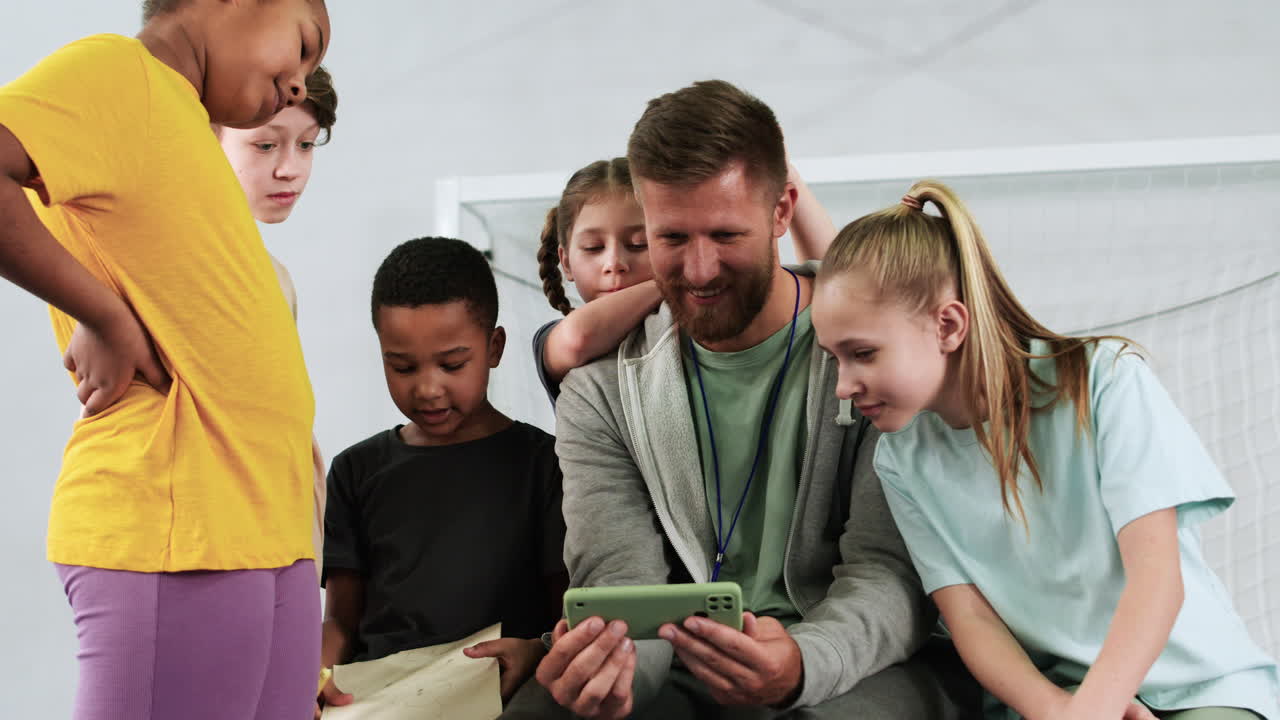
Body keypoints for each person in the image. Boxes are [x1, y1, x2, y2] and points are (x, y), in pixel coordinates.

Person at [505, 80, 976, 719]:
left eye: (726, 234)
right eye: (672, 238)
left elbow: (888, 573)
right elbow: (621, 581)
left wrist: (802, 663)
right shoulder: (599, 393)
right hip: (682, 659)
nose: (699, 270)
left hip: (863, 660)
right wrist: (616, 676)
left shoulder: (883, 361)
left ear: (783, 211)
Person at [809, 179, 1280, 720]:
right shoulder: (899, 460)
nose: (842, 386)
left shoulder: (1104, 381)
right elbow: (972, 620)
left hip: (1200, 690)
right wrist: (1059, 710)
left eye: (863, 353)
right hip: (1056, 699)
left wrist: (1096, 708)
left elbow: (1157, 581)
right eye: (834, 359)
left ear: (948, 325)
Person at [0, 0, 331, 717]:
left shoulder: (185, 128)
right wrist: (102, 314)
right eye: (304, 45)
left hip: (269, 532)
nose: (301, 82)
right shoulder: (120, 72)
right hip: (175, 523)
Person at [318, 237, 568, 716]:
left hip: (500, 698)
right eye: (402, 367)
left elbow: (566, 616)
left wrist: (536, 651)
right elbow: (341, 624)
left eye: (452, 364)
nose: (428, 388)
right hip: (377, 699)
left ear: (494, 348)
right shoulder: (354, 470)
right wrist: (316, 673)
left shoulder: (546, 464)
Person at [533, 156, 836, 404]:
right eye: (593, 248)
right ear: (566, 261)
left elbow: (832, 285)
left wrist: (786, 172)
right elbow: (578, 339)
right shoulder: (552, 339)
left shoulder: (701, 322)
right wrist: (675, 277)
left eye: (638, 244)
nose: (613, 264)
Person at [216, 66, 339, 578]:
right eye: (265, 146)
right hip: (221, 538)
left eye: (307, 145)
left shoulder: (276, 277)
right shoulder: (180, 263)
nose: (291, 169)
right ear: (208, 137)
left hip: (287, 540)